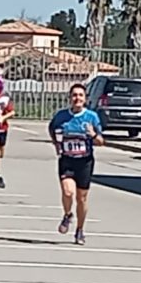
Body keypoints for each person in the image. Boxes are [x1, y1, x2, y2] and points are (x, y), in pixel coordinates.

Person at [48, 82, 104, 246]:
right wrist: (56, 144)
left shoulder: (91, 117)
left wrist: (93, 135)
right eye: (74, 95)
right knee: (67, 192)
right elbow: (52, 129)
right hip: (67, 160)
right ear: (69, 98)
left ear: (85, 99)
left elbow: (101, 141)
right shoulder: (61, 116)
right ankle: (67, 215)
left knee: (81, 198)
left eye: (80, 95)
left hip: (85, 162)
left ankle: (80, 230)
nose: (77, 98)